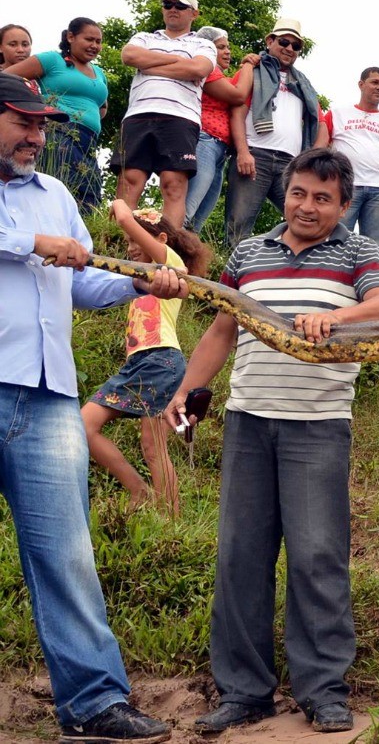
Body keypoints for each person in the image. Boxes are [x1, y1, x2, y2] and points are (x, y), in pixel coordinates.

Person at [167, 148, 379, 735]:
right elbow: (222, 327)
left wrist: (336, 320)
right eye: (299, 193)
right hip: (248, 421)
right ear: (286, 193)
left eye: (323, 198)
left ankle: (322, 690)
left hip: (318, 427)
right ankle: (245, 692)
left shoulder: (359, 252)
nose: (307, 206)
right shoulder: (251, 252)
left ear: (344, 205)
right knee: (240, 557)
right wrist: (188, 392)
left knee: (318, 558)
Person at [0, 72, 183, 743]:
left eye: (41, 123)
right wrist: (33, 244)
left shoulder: (55, 195)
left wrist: (137, 277)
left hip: (47, 397)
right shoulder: (35, 221)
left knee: (66, 553)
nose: (36, 134)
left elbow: (82, 285)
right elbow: (43, 254)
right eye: (22, 121)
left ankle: (93, 701)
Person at [83, 202, 210, 515]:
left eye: (136, 240)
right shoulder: (142, 280)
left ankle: (171, 522)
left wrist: (121, 207)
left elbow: (126, 219)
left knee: (153, 446)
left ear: (161, 241)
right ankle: (141, 492)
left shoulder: (171, 266)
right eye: (128, 243)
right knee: (84, 426)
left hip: (161, 361)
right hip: (140, 363)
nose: (131, 247)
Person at [114, 0, 217, 230]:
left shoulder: (203, 43)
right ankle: (118, 242)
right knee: (129, 180)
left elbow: (198, 70)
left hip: (181, 118)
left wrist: (149, 63)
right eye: (168, 4)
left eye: (180, 6)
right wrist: (180, 62)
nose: (173, 9)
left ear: (194, 13)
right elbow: (128, 55)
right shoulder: (144, 37)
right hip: (138, 114)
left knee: (174, 184)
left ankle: (167, 248)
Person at [224, 18, 327, 250]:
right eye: (283, 42)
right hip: (255, 155)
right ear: (270, 41)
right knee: (238, 223)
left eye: (296, 46)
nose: (289, 48)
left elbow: (320, 123)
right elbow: (237, 113)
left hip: (292, 164)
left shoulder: (303, 84)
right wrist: (242, 152)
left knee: (308, 218)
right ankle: (232, 278)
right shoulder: (253, 70)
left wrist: (311, 161)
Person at [5, 18, 109, 213]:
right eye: (89, 39)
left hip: (88, 141)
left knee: (89, 193)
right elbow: (7, 78)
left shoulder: (99, 72)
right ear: (71, 37)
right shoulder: (53, 60)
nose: (94, 45)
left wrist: (88, 117)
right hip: (60, 132)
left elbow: (101, 107)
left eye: (98, 41)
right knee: (61, 184)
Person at [183, 26, 258, 234]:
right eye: (221, 47)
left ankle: (182, 259)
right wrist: (248, 66)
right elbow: (238, 93)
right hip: (205, 140)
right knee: (188, 209)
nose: (228, 52)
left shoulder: (220, 77)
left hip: (218, 149)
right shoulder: (207, 69)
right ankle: (163, 256)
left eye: (228, 47)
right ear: (207, 48)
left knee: (199, 216)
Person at [328, 66, 379, 250]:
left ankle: (370, 278)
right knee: (335, 241)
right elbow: (320, 146)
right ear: (361, 84)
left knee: (374, 247)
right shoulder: (337, 113)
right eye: (375, 82)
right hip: (346, 186)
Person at [0, 24, 39, 93]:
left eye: (25, 45)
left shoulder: (39, 78)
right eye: (12, 45)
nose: (20, 50)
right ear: (0, 48)